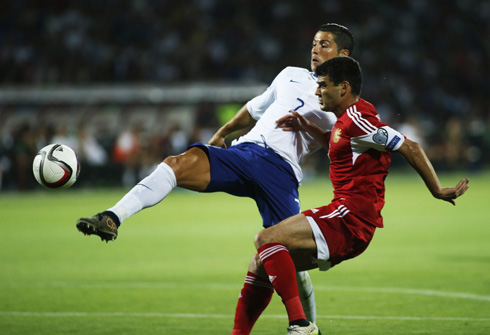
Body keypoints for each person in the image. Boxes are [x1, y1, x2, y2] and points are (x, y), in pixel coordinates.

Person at [76, 23, 354, 329]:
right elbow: (254, 108)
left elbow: (343, 146)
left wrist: (308, 127)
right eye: (314, 43)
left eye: (324, 45)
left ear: (344, 54)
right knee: (176, 164)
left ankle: (305, 324)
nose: (316, 49)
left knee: (285, 258)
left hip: (282, 172)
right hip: (244, 154)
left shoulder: (345, 102)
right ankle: (113, 217)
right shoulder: (289, 74)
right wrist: (221, 134)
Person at [232, 56, 470, 335]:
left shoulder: (359, 120)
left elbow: (411, 147)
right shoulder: (348, 119)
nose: (317, 91)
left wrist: (438, 190)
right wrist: (308, 127)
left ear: (343, 88)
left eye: (322, 85)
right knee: (260, 263)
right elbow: (341, 145)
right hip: (347, 218)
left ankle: (300, 325)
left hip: (349, 217)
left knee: (266, 238)